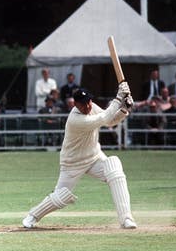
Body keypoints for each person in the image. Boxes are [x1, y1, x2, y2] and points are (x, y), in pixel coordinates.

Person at [22, 85, 137, 230]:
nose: (87, 106)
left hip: (94, 157)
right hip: (72, 163)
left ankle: (126, 218)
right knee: (61, 196)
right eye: (83, 104)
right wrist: (119, 98)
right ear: (75, 104)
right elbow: (104, 118)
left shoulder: (92, 106)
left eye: (89, 102)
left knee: (114, 167)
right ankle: (32, 216)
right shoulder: (75, 119)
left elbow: (110, 122)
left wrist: (124, 109)